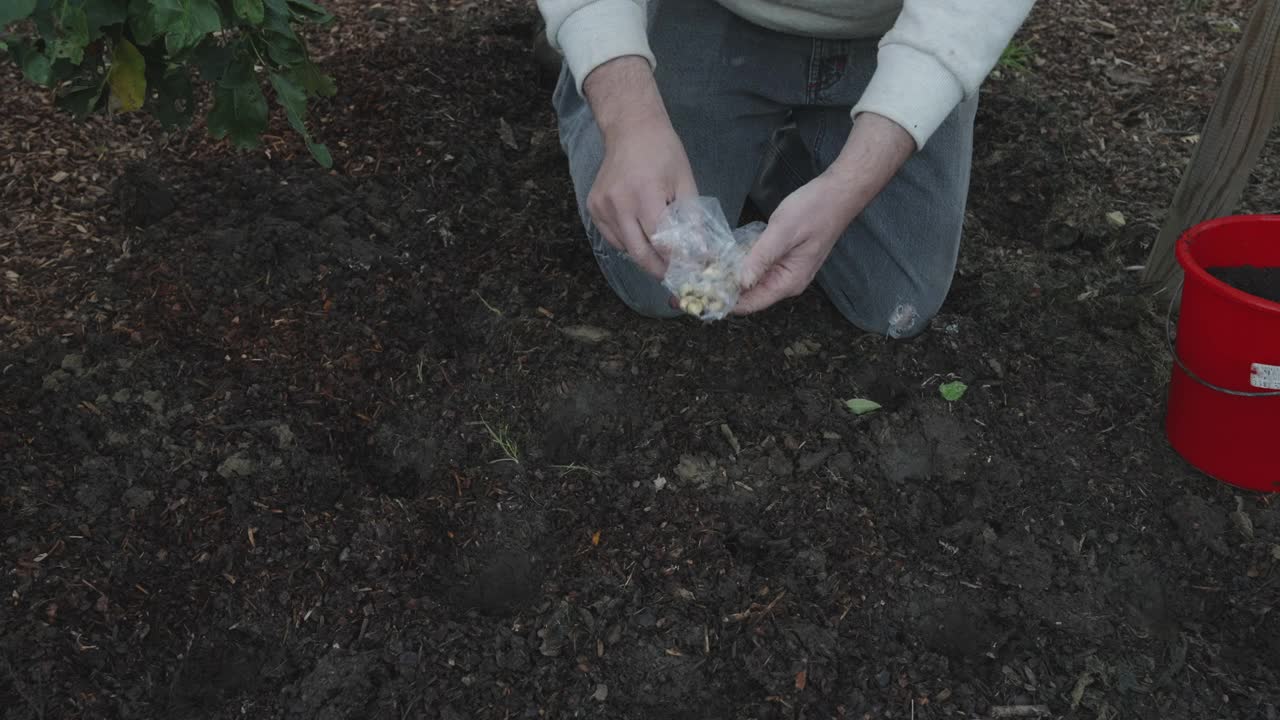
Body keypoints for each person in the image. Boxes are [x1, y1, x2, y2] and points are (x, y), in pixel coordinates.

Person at [535, 0, 1036, 338]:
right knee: (655, 277)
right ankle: (599, 60)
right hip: (708, 11)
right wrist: (627, 115)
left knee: (896, 301)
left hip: (893, 33)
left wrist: (848, 184)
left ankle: (777, 153)